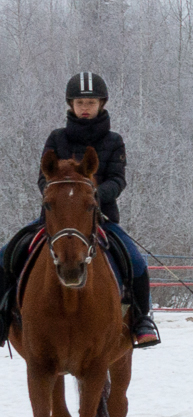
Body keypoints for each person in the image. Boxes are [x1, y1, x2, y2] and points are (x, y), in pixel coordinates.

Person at [9, 74, 161, 348]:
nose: (85, 107)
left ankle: (141, 320)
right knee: (6, 253)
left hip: (99, 217)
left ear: (101, 103)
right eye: (80, 102)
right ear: (71, 105)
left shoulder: (114, 141)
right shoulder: (56, 137)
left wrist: (92, 197)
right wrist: (58, 196)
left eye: (91, 101)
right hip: (56, 219)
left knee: (137, 263)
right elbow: (44, 176)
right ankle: (3, 317)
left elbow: (118, 179)